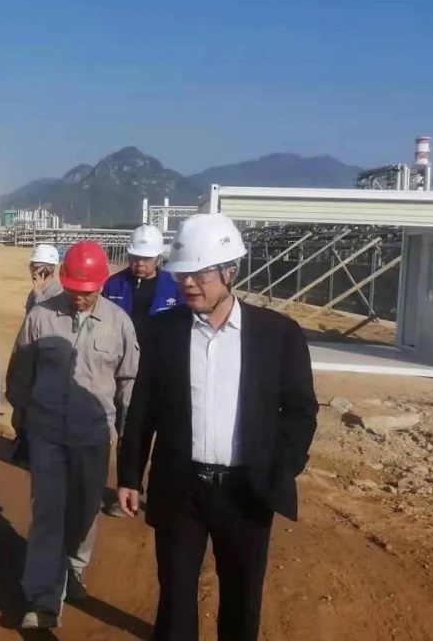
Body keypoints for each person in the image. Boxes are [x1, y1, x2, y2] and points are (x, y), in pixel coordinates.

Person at [117, 213, 319, 641]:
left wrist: (280, 470)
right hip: (181, 487)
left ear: (231, 272)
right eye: (182, 275)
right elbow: (143, 408)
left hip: (247, 491)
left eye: (200, 274)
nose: (188, 284)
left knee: (242, 600)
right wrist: (129, 475)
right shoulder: (162, 332)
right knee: (174, 600)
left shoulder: (277, 334)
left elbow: (301, 411)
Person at [6, 240, 140, 630]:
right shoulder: (41, 316)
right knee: (47, 513)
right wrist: (22, 419)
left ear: (101, 284)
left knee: (84, 510)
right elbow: (20, 371)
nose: (79, 297)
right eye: (73, 289)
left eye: (87, 291)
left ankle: (75, 567)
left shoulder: (119, 322)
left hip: (93, 437)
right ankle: (42, 599)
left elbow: (129, 383)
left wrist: (127, 434)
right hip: (46, 433)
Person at [101, 223, 182, 518]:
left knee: (169, 437)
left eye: (146, 259)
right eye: (135, 257)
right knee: (130, 434)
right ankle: (129, 489)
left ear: (159, 258)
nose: (140, 264)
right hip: (127, 373)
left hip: (165, 371)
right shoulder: (114, 286)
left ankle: (162, 497)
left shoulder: (175, 287)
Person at [12, 243, 63, 469]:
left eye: (39, 267)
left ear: (50, 269)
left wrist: (39, 293)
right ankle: (23, 440)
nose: (34, 270)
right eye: (33, 266)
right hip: (27, 352)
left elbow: (47, 324)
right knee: (20, 399)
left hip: (43, 357)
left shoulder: (56, 293)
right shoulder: (34, 291)